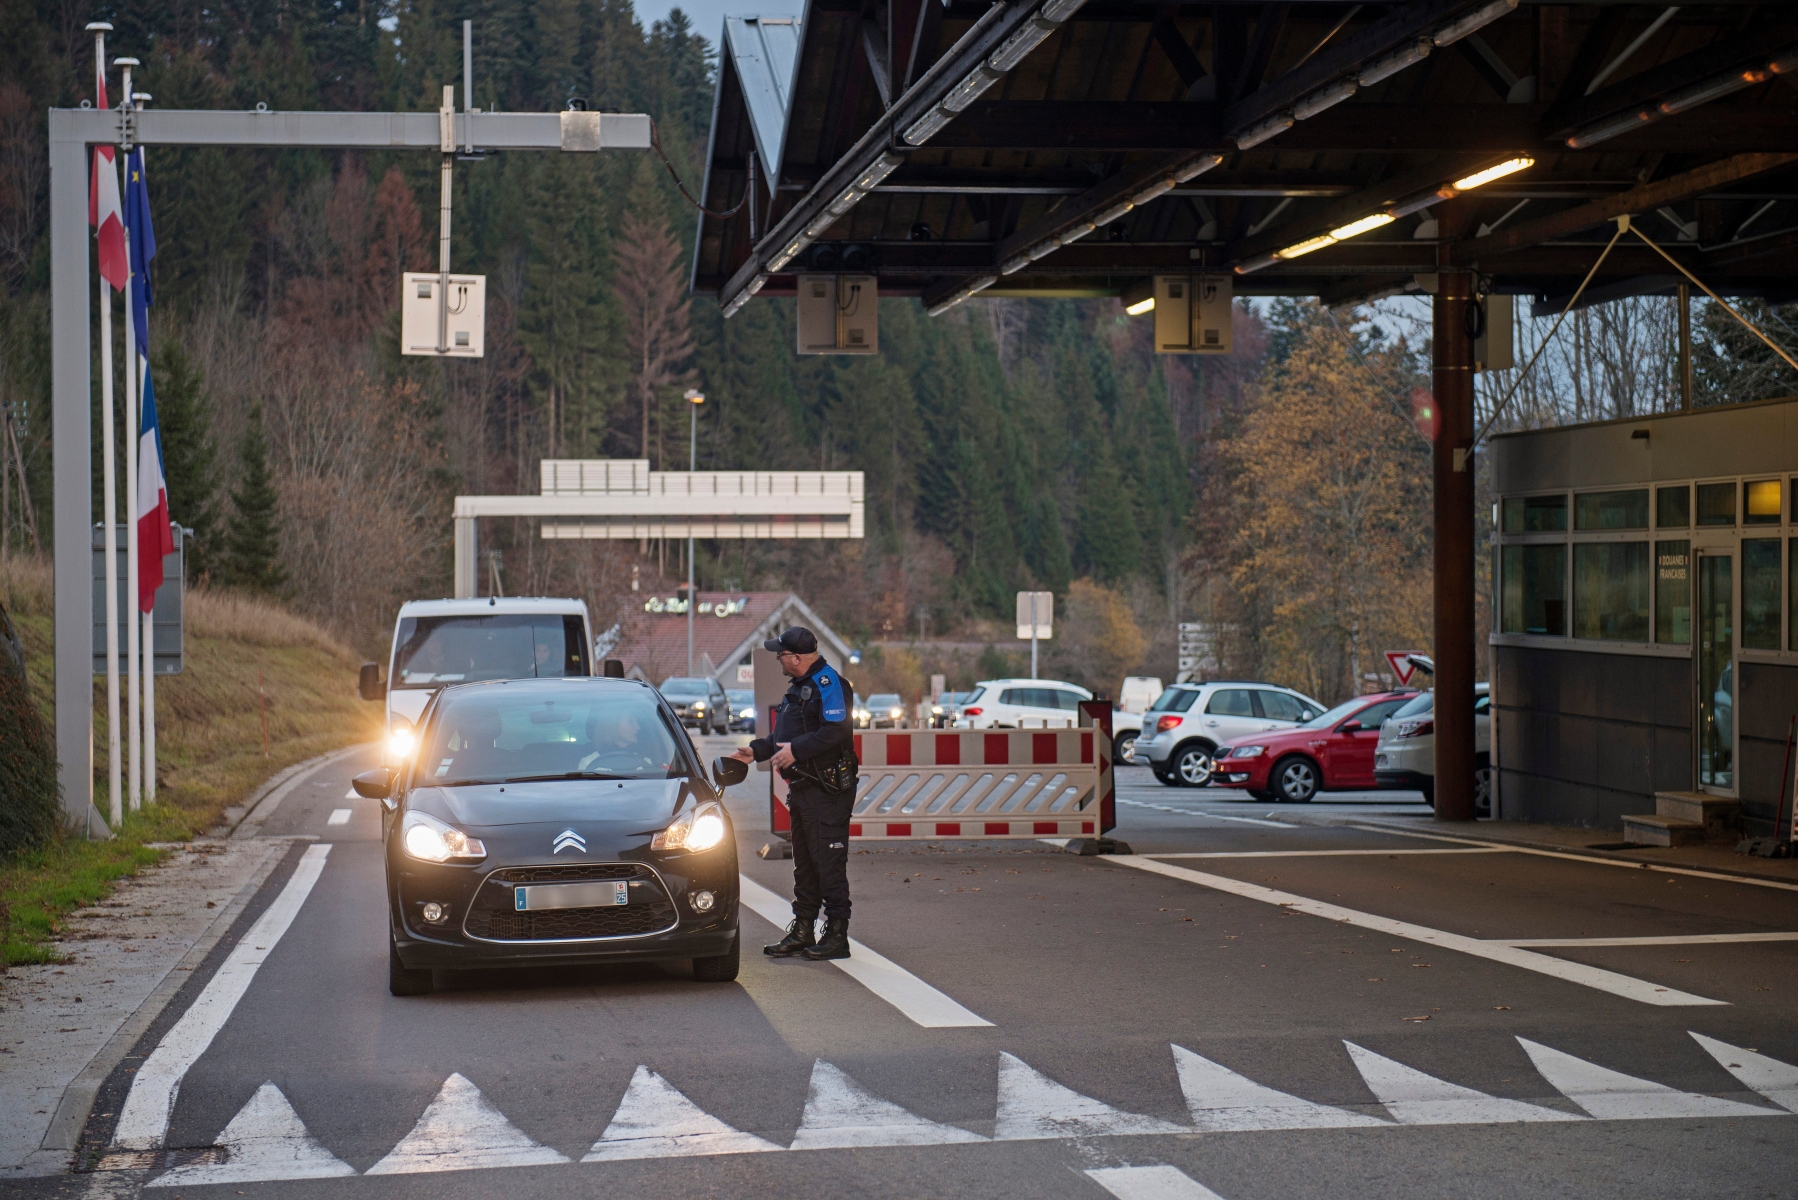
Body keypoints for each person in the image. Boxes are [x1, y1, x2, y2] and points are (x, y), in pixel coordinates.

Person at [726, 627, 856, 961]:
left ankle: (837, 935)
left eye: (781, 654)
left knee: (828, 862)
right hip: (803, 789)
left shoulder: (829, 684)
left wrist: (796, 751)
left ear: (796, 658)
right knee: (806, 864)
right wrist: (754, 751)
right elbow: (781, 737)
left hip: (826, 790)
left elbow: (835, 730)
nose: (778, 659)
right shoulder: (799, 687)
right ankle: (803, 930)